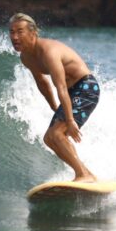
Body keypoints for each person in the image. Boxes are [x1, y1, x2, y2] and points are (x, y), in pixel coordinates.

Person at [9, 13, 100, 182]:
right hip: (72, 93)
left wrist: (70, 121)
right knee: (49, 138)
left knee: (57, 134)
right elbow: (42, 82)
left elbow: (61, 86)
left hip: (86, 88)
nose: (14, 37)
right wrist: (53, 106)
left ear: (33, 32)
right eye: (12, 32)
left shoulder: (49, 51)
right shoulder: (26, 57)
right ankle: (86, 173)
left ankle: (83, 174)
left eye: (20, 32)